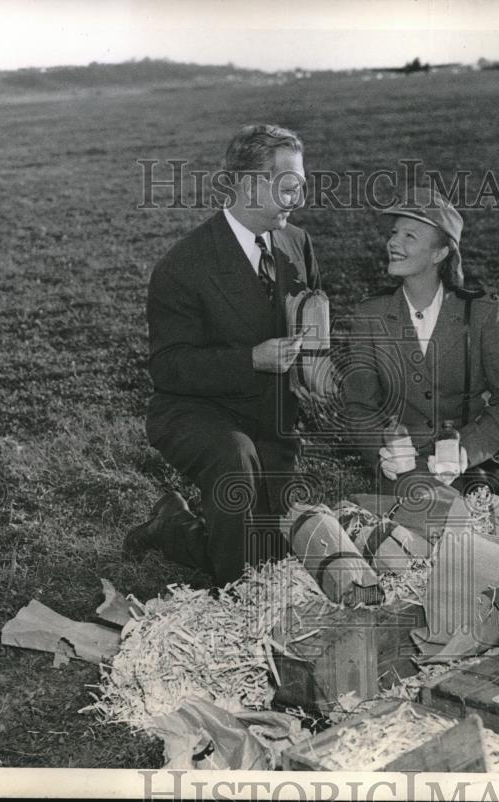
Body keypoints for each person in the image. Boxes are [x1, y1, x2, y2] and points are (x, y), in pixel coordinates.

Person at [125, 124, 320, 586]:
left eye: (302, 186)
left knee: (274, 554)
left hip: (270, 418)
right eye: (289, 187)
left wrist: (317, 371)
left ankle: (173, 524)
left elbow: (309, 325)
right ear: (250, 186)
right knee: (243, 568)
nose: (299, 200)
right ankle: (231, 597)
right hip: (197, 413)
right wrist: (251, 359)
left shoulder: (297, 243)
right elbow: (168, 367)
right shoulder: (184, 265)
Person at [340, 186, 499, 493]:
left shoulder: (484, 312)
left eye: (409, 236)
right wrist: (381, 452)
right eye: (394, 233)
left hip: (473, 469)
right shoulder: (369, 315)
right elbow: (359, 406)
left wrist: (466, 451)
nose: (392, 242)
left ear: (439, 254)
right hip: (401, 471)